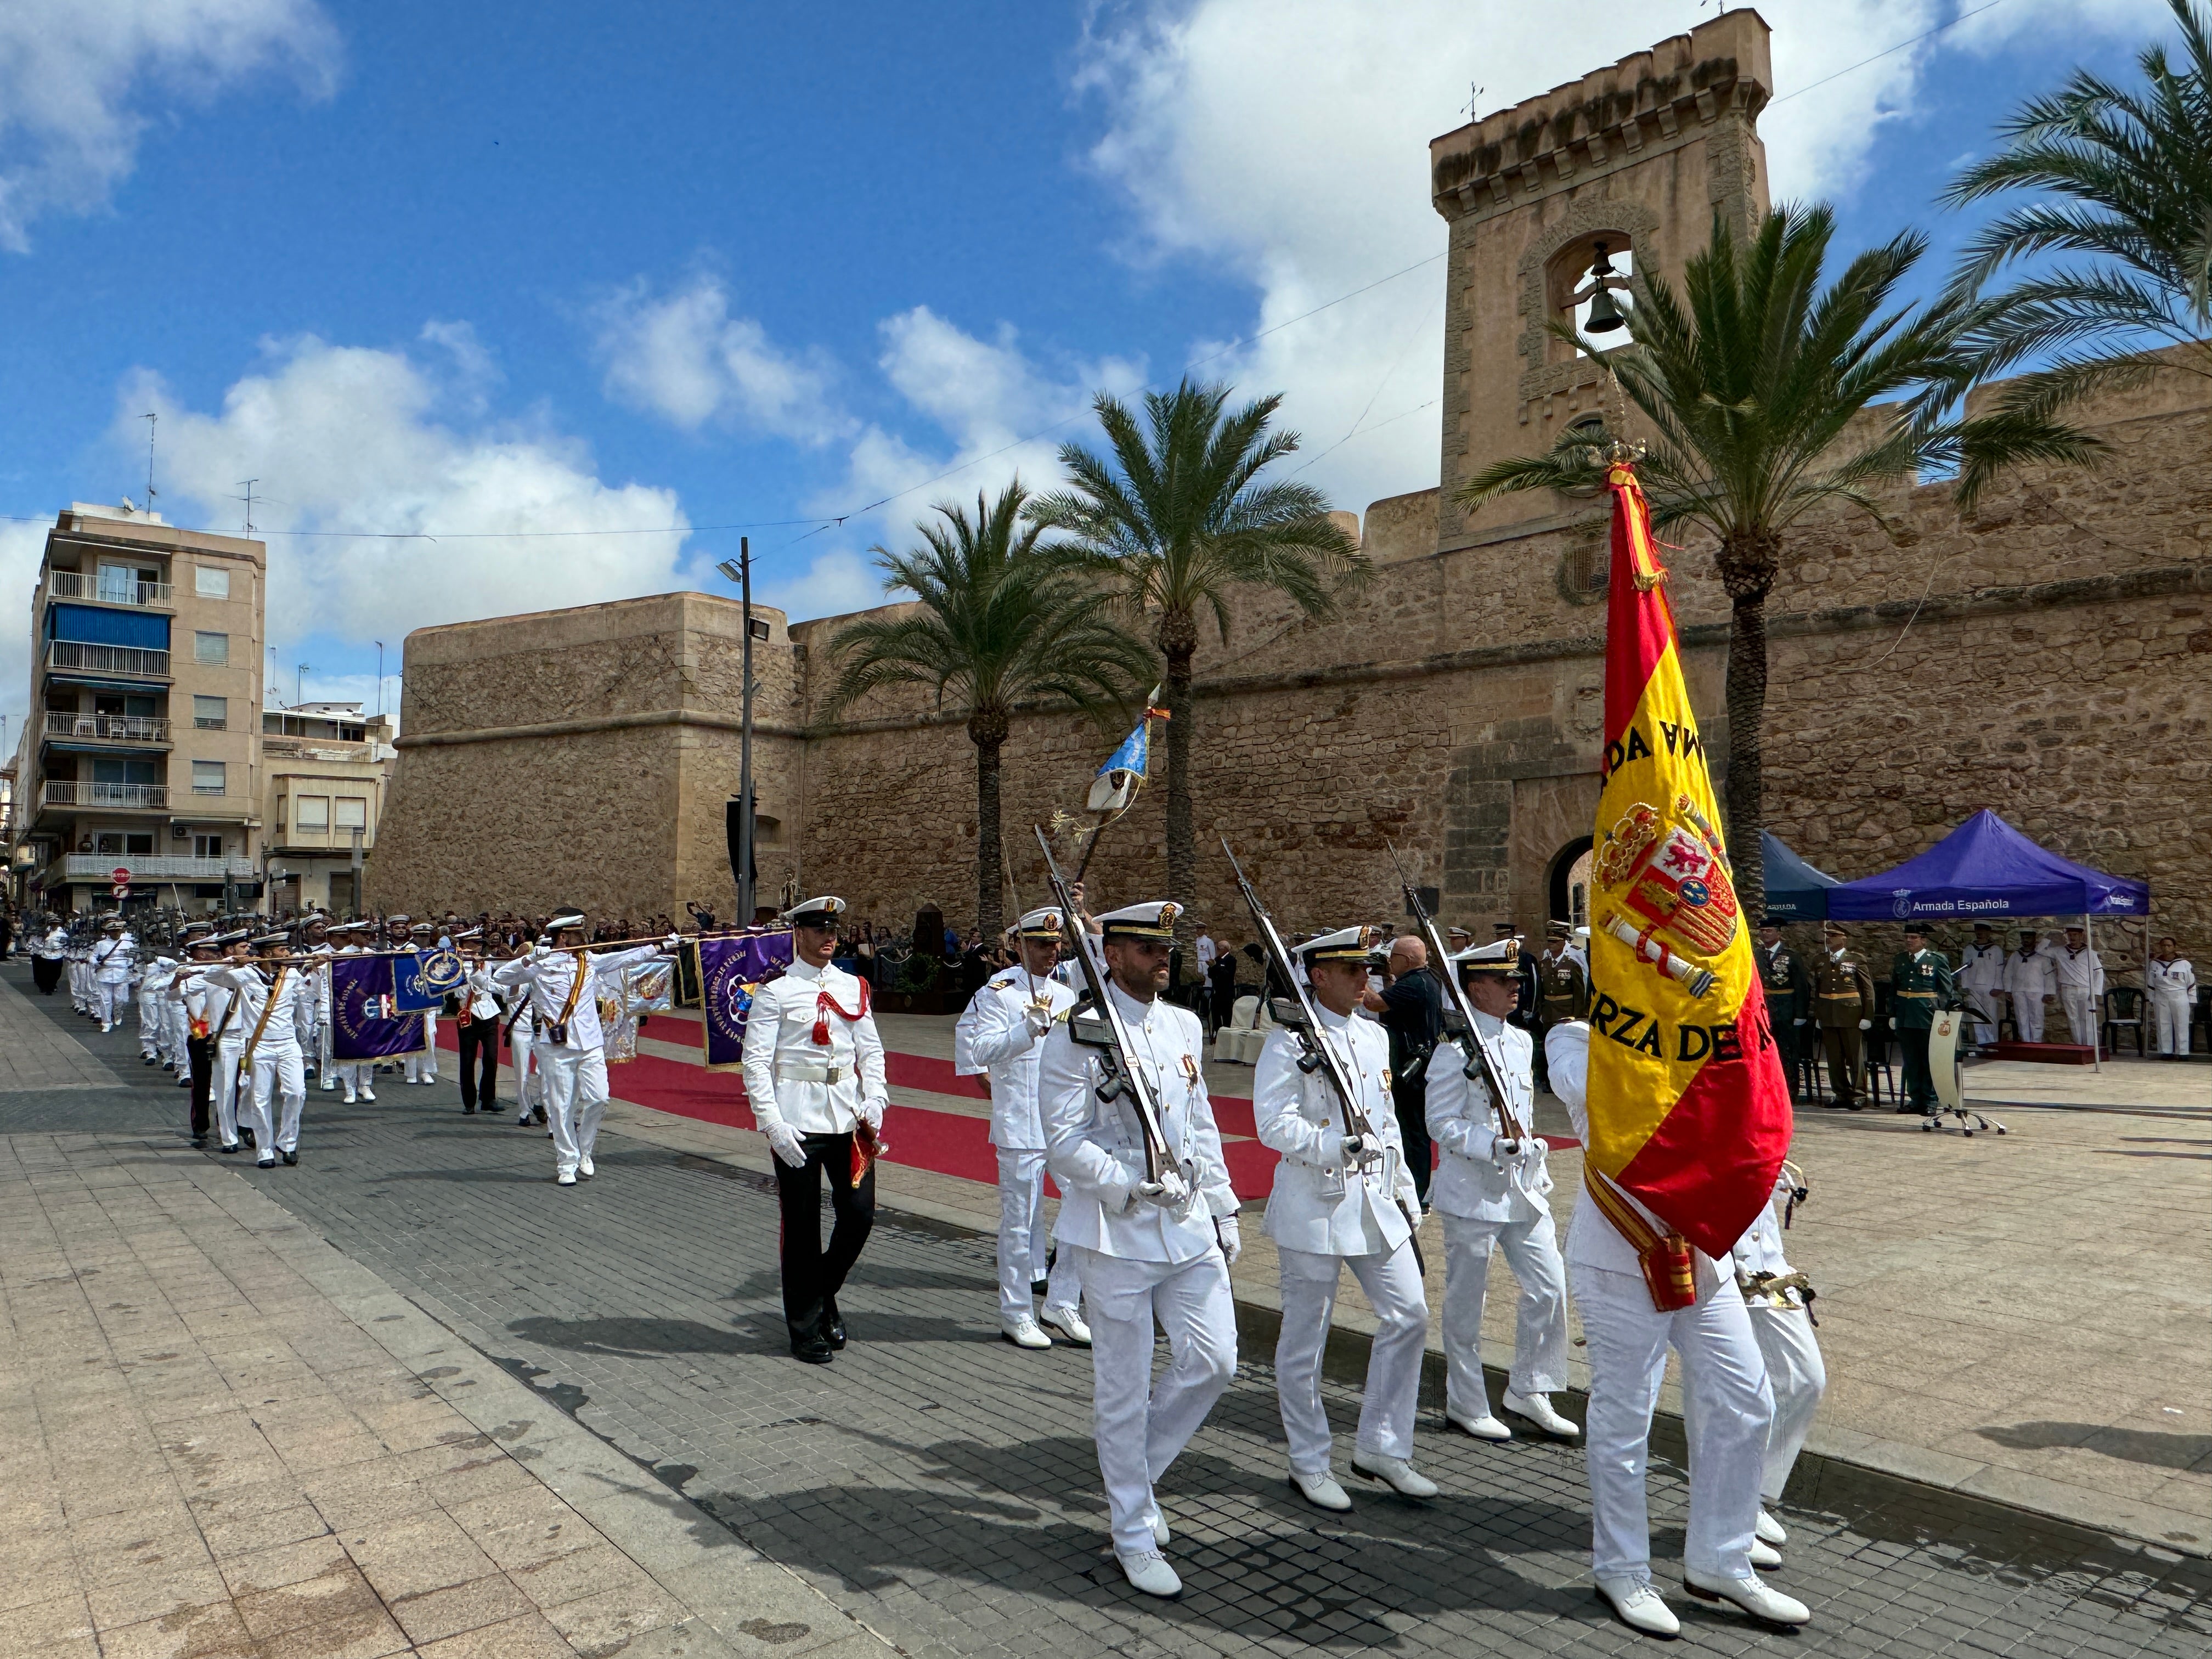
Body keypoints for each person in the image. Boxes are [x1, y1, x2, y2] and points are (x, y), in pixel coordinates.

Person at [1547, 1020, 1808, 1637]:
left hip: (1701, 1255)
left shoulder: (1700, 1033)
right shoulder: (1578, 1037)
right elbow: (1593, 1093)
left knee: (1749, 1399)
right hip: (1620, 1254)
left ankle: (1722, 1557)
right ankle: (1622, 1569)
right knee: (1625, 1417)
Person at [1040, 899, 1239, 1600]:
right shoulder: (1076, 1035)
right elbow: (1062, 1142)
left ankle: (1137, 1479)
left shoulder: (1184, 1023)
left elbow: (1202, 1123)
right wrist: (1127, 1184)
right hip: (1115, 1233)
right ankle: (1130, 1527)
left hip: (1186, 1225)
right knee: (1121, 1390)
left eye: (1168, 948)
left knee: (1215, 1360)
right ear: (1113, 956)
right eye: (1147, 949)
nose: (1164, 959)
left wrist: (1224, 1204)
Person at [1255, 924, 1432, 1513]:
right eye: (1353, 970)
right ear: (1318, 975)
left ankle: (1382, 1444)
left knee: (1409, 1314)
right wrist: (1334, 1145)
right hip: (1314, 1202)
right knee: (1307, 1339)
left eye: (1370, 969)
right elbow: (1272, 1124)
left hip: (1375, 1202)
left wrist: (1407, 1196)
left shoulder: (1374, 1037)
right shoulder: (1287, 1043)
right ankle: (1308, 1460)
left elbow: (1387, 1125)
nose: (1367, 980)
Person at [1425, 938, 1577, 1443]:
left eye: (1515, 978)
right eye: (1503, 980)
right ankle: (1466, 1402)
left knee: (1550, 1286)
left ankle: (1529, 1387)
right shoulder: (1452, 1051)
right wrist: (1492, 1144)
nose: (1516, 986)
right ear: (1475, 988)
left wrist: (1523, 1150)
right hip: (1472, 1191)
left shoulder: (1518, 1041)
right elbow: (1440, 1122)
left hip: (1522, 1190)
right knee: (1469, 1300)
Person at [741, 896, 890, 1362]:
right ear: (798, 934)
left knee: (859, 1216)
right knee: (803, 1228)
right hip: (798, 1121)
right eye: (820, 929)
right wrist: (771, 1123)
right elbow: (756, 1063)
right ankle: (805, 1328)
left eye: (834, 928)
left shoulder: (854, 987)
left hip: (848, 1117)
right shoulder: (775, 992)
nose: (830, 937)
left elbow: (873, 1052)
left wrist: (877, 1098)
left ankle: (822, 1295)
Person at [954, 908, 1088, 1350]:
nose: (1052, 952)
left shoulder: (1066, 996)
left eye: (1055, 944)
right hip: (1021, 1123)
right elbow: (981, 1047)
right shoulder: (1000, 993)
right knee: (1019, 1222)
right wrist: (1024, 1031)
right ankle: (1016, 1311)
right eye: (1041, 944)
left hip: (1065, 1123)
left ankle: (1063, 1301)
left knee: (1083, 1208)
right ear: (1020, 946)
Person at [495, 910, 673, 1186]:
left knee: (600, 1099)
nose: (585, 938)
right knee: (560, 1106)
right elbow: (502, 976)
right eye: (579, 934)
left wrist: (661, 945)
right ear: (564, 938)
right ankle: (566, 1162)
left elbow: (624, 957)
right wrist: (530, 959)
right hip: (556, 1046)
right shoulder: (541, 965)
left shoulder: (589, 961)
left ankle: (585, 1150)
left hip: (590, 1043)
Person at [1732, 1160, 1826, 1556]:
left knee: (1806, 1379)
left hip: (1766, 1262)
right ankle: (1730, 1517)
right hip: (1716, 1263)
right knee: (1736, 1396)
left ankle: (1750, 1497)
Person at [209, 934, 318, 1169]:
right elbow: (211, 976)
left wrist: (316, 967)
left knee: (297, 1092)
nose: (288, 954)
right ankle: (265, 1150)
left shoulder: (290, 975)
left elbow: (311, 991)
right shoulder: (245, 975)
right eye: (283, 950)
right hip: (260, 1046)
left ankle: (287, 1143)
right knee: (260, 1099)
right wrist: (232, 962)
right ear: (268, 954)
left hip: (288, 1043)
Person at [1366, 935, 1441, 1206]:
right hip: (1417, 1063)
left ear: (1407, 961)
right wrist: (1387, 976)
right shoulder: (1426, 978)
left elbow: (1374, 1003)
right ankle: (1416, 1189)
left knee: (1413, 1133)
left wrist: (1358, 974)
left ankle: (1418, 1194)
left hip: (1411, 1068)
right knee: (1413, 1130)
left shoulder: (1413, 985)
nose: (1389, 961)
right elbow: (1391, 999)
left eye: (1393, 957)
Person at [1889, 925, 1957, 1115]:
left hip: (1927, 1016)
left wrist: (1940, 1013)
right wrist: (1893, 1013)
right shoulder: (1901, 960)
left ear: (1924, 940)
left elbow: (1945, 990)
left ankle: (1931, 1100)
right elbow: (1894, 988)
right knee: (1911, 1061)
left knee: (1929, 1060)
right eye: (1907, 938)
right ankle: (1916, 1099)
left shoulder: (1936, 960)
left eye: (1914, 938)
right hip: (1905, 1015)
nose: (1909, 941)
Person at [1811, 923, 1875, 1109]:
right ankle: (1841, 1092)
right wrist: (1818, 1015)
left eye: (1833, 935)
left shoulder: (1856, 959)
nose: (1829, 938)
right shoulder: (1820, 960)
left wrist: (1868, 1015)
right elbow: (1818, 989)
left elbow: (1867, 989)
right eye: (1827, 935)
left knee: (1854, 1056)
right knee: (1834, 1057)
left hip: (1851, 1013)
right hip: (1828, 1014)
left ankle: (1859, 1094)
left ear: (1844, 938)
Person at [1755, 920, 1813, 1101]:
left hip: (1786, 1008)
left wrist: (1801, 1014)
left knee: (1788, 1051)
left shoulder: (1791, 956)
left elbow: (1802, 987)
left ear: (1779, 934)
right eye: (1763, 931)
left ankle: (1790, 1090)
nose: (1766, 934)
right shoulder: (1757, 955)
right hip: (1764, 1008)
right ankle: (1767, 1088)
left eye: (1770, 931)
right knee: (1764, 1051)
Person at [1532, 921, 1588, 1090]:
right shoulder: (1545, 963)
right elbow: (1541, 989)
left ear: (1564, 942)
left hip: (1566, 1010)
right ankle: (1548, 1080)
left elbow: (1580, 990)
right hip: (1550, 1010)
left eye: (1555, 942)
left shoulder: (1572, 963)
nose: (1551, 946)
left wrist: (1578, 1015)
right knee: (1548, 1044)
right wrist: (1541, 1010)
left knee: (1565, 1044)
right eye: (1549, 942)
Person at [457, 944, 506, 1114]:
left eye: (478, 946)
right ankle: (469, 1102)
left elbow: (494, 981)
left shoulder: (488, 961)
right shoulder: (458, 964)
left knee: (492, 1058)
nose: (476, 950)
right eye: (473, 945)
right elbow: (458, 992)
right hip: (468, 1014)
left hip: (489, 1013)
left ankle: (488, 1098)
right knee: (468, 1060)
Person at [2053, 925, 2105, 1054]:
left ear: (2081, 936)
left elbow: (2099, 972)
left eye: (2075, 935)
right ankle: (2079, 1047)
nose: (2073, 938)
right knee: (2073, 1019)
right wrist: (2050, 937)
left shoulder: (2090, 953)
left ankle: (2090, 1047)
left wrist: (2096, 993)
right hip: (2068, 989)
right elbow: (2041, 950)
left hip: (2085, 989)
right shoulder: (2060, 951)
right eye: (2070, 935)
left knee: (2087, 1018)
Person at [2147, 937, 2197, 1058]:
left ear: (2174, 947)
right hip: (2161, 996)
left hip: (2179, 995)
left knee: (2182, 1024)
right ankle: (2166, 1051)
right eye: (2163, 945)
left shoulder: (2184, 964)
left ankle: (2183, 1052)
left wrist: (2192, 999)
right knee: (2162, 1023)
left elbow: (2191, 983)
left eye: (2169, 945)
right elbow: (2150, 982)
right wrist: (2151, 998)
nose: (2166, 948)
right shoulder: (2154, 963)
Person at [1957, 923, 2007, 1045]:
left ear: (1988, 933)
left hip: (1990, 987)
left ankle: (1992, 1042)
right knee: (1976, 1015)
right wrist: (1965, 986)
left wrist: (1998, 987)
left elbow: (2000, 969)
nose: (1980, 933)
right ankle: (1981, 1042)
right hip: (1973, 987)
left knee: (1991, 1015)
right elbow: (1965, 969)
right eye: (1978, 931)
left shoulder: (1996, 950)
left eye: (1983, 931)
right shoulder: (1969, 949)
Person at [2004, 928, 2055, 1042]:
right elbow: (2008, 973)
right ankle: (2025, 1042)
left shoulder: (2042, 956)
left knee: (2036, 1017)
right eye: (2024, 938)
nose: (2026, 940)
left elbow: (2049, 975)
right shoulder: (2015, 955)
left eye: (2028, 938)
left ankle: (2036, 1043)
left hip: (2037, 991)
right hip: (2018, 990)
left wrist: (2049, 992)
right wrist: (2008, 990)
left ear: (2034, 939)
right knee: (2021, 1018)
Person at [91, 917, 136, 1032]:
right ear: (108, 933)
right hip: (104, 974)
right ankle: (106, 1022)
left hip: (121, 974)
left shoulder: (128, 944)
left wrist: (129, 963)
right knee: (105, 1000)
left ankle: (118, 1013)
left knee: (122, 1000)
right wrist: (96, 963)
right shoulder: (101, 944)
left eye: (118, 931)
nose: (116, 933)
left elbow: (135, 958)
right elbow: (92, 956)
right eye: (113, 931)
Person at [32, 917, 66, 995]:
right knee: (46, 973)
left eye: (56, 924)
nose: (54, 926)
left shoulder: (61, 933)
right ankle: (48, 988)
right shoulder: (46, 931)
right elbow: (39, 941)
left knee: (57, 973)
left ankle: (53, 984)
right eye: (53, 924)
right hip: (46, 955)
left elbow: (65, 943)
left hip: (57, 955)